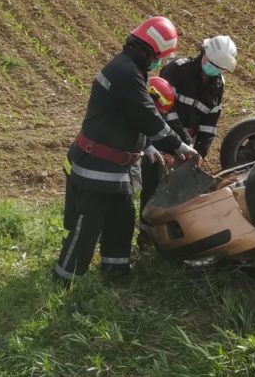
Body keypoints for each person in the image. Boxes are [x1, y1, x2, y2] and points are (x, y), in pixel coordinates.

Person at [53, 16, 199, 285]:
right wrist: (179, 146)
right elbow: (145, 115)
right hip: (98, 166)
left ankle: (116, 273)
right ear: (150, 50)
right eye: (159, 57)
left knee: (122, 221)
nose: (159, 63)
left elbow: (126, 119)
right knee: (88, 226)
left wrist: (148, 146)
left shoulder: (130, 69)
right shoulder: (125, 72)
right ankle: (64, 280)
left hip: (118, 168)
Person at [139, 35, 237, 215]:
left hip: (186, 144)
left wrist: (199, 152)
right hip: (161, 137)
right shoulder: (176, 70)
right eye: (211, 64)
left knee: (178, 192)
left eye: (218, 68)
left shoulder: (217, 84)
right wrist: (183, 143)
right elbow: (166, 110)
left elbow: (210, 123)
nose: (213, 69)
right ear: (203, 53)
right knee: (152, 187)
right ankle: (146, 229)